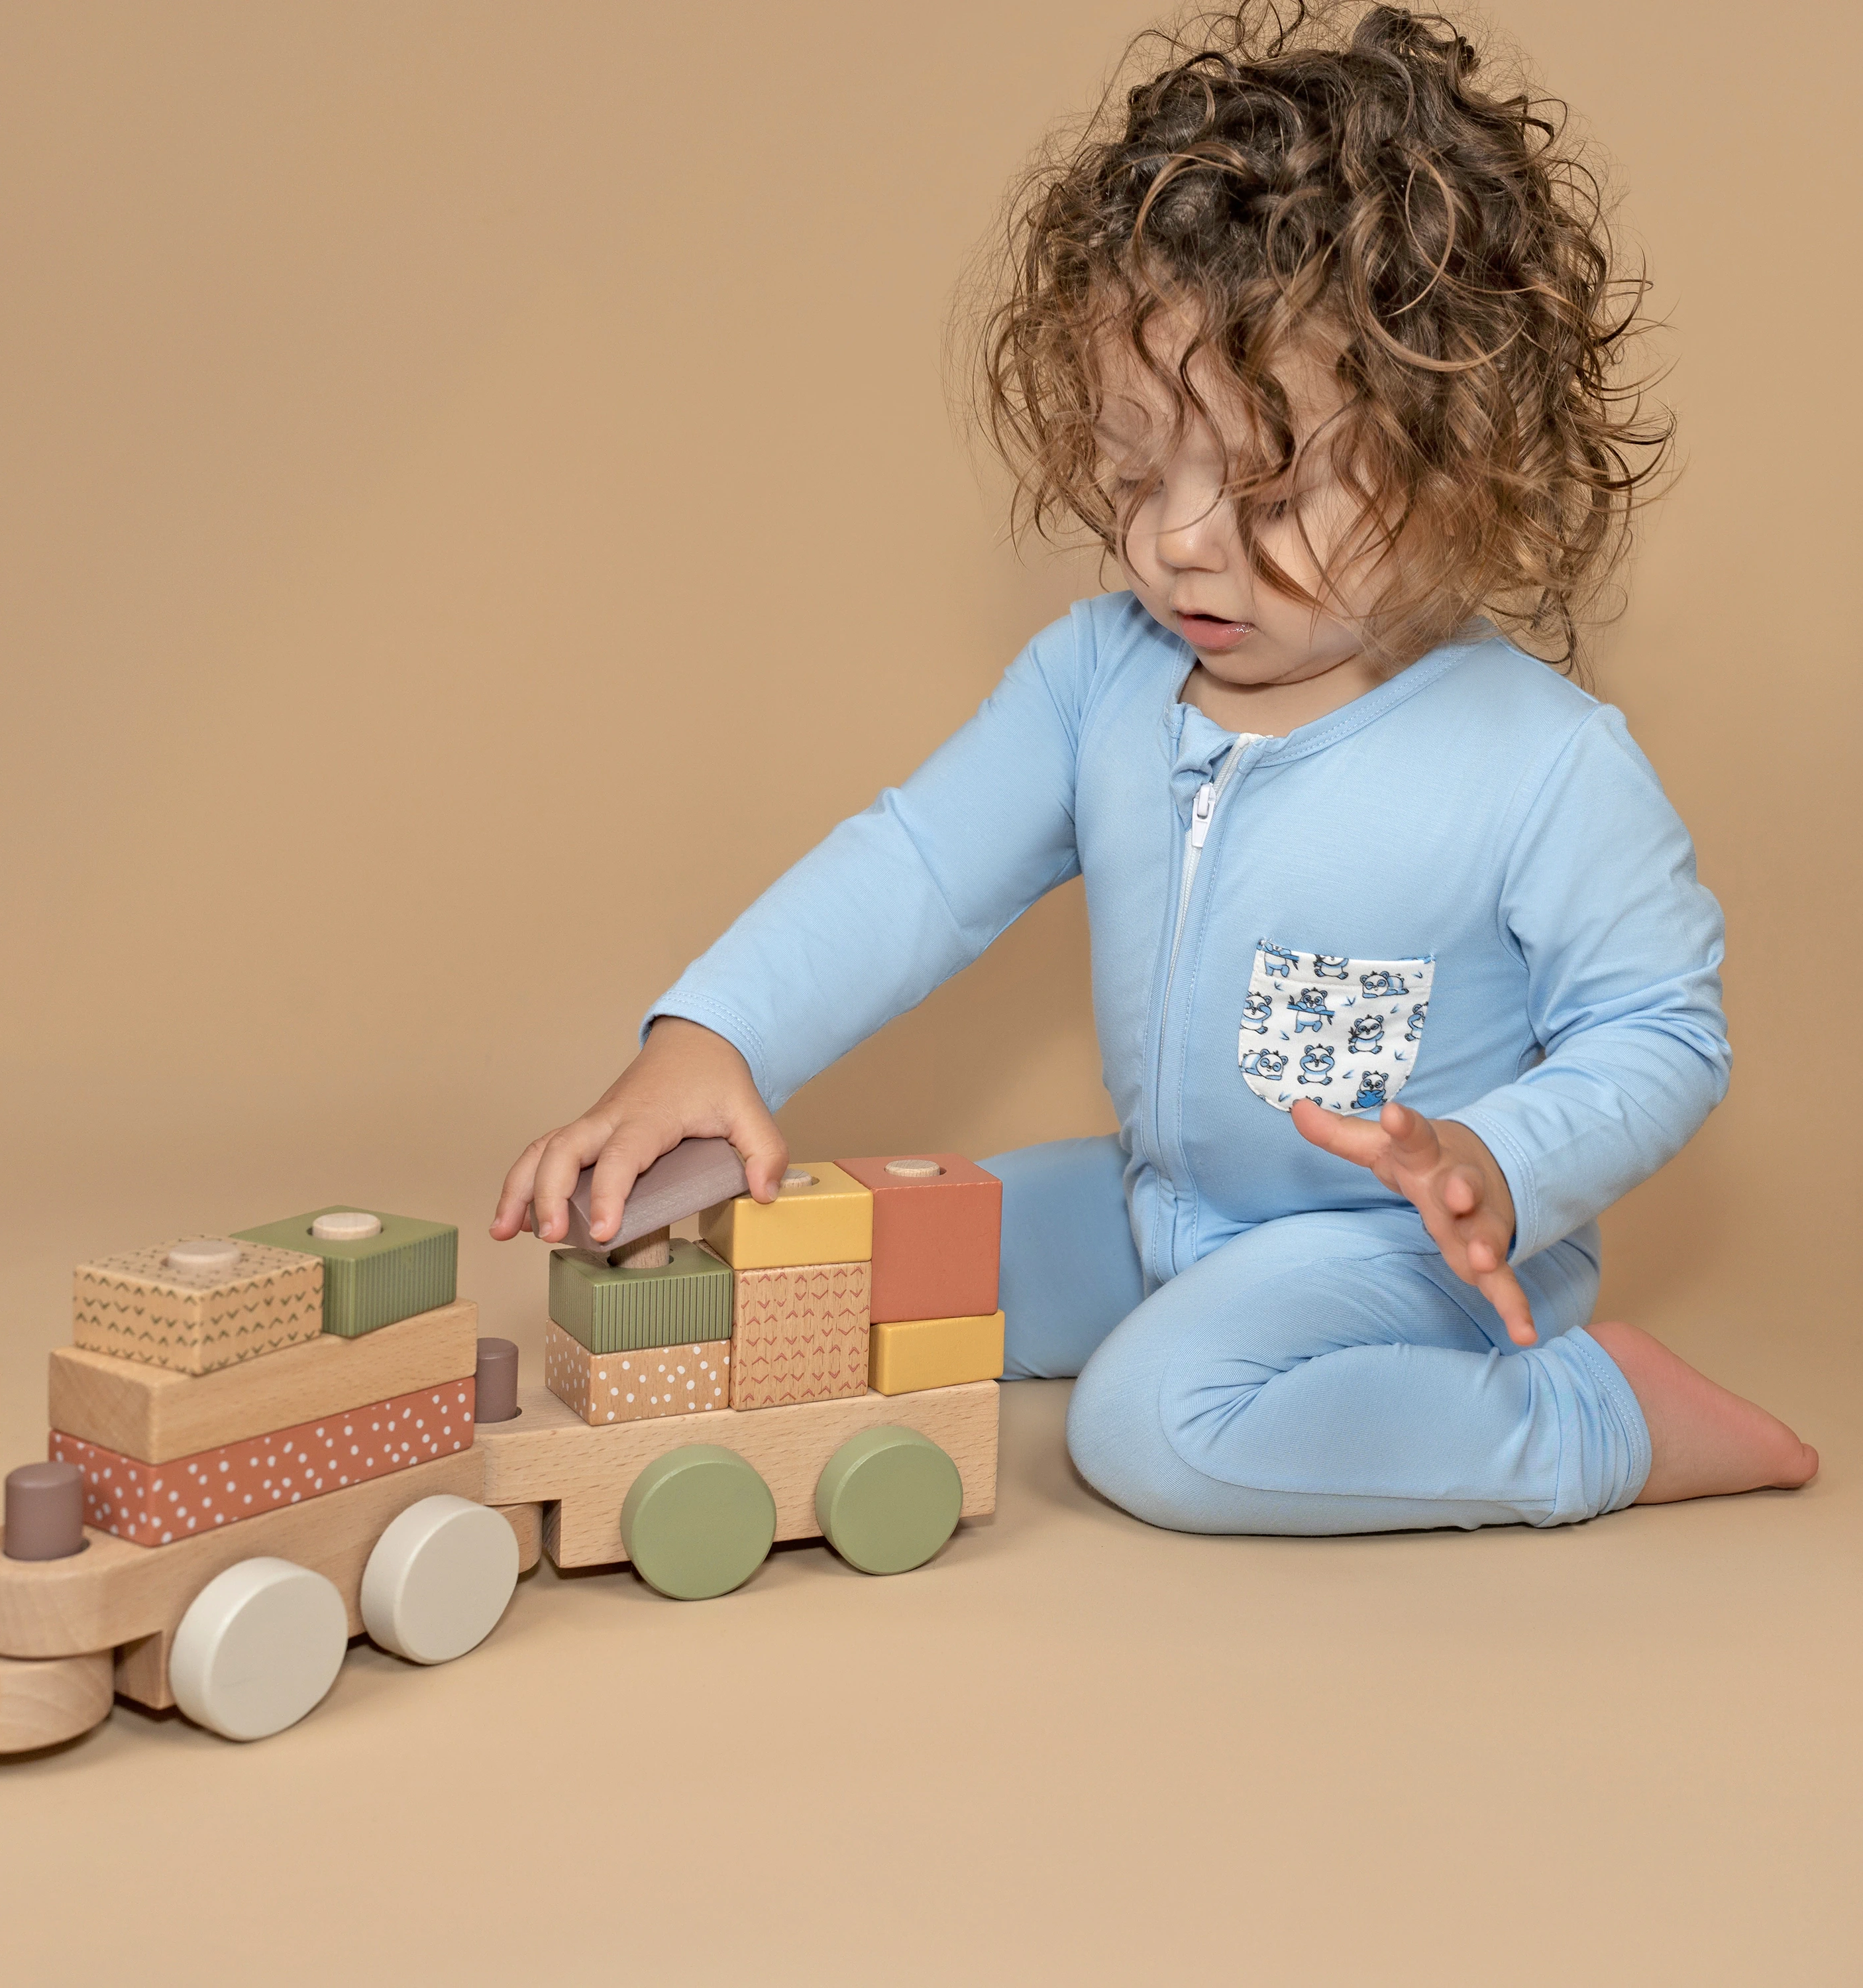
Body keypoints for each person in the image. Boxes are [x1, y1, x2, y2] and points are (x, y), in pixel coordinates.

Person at [492, 1, 1817, 1533]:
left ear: (1457, 461)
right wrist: (712, 1036)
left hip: (1407, 1259)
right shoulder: (1099, 681)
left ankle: (1599, 1418)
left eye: (1261, 489)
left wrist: (1496, 1162)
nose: (1178, 537)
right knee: (862, 1263)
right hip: (1157, 1217)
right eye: (1137, 469)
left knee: (1154, 1426)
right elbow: (917, 868)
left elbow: (1660, 1031)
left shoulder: (1539, 763)